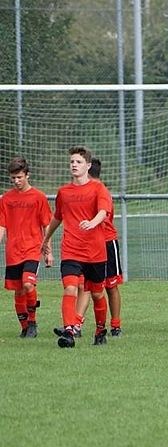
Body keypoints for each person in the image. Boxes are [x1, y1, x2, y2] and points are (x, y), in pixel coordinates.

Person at [41, 146, 113, 347]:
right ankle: (69, 332)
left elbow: (103, 212)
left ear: (88, 166)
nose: (74, 165)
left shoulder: (98, 188)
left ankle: (100, 330)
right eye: (72, 161)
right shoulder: (63, 192)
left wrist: (92, 222)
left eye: (78, 162)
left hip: (95, 251)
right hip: (71, 250)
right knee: (70, 288)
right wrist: (46, 239)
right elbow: (57, 217)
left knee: (97, 293)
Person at [71, 157, 125, 337]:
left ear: (88, 169)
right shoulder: (79, 190)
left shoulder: (100, 190)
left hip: (106, 242)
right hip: (86, 243)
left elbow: (104, 216)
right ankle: (76, 324)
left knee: (110, 285)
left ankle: (115, 325)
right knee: (85, 285)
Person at [1, 157, 52, 338]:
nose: (16, 181)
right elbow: (2, 226)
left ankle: (32, 322)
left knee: (28, 284)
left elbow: (46, 225)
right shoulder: (6, 199)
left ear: (27, 175)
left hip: (32, 249)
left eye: (19, 177)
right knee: (19, 290)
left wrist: (48, 251)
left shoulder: (38, 197)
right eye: (13, 178)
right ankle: (24, 327)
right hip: (13, 251)